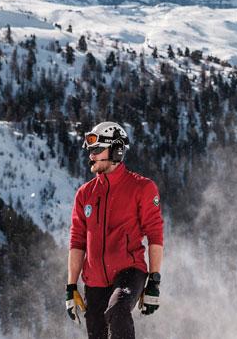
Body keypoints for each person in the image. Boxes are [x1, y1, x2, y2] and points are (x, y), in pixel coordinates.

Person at [66, 121, 163, 339]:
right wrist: (71, 287)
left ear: (117, 150)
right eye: (90, 150)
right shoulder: (85, 194)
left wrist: (154, 282)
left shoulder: (142, 188)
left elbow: (155, 235)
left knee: (118, 311)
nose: (91, 156)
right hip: (95, 282)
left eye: (97, 150)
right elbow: (77, 241)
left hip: (130, 272)